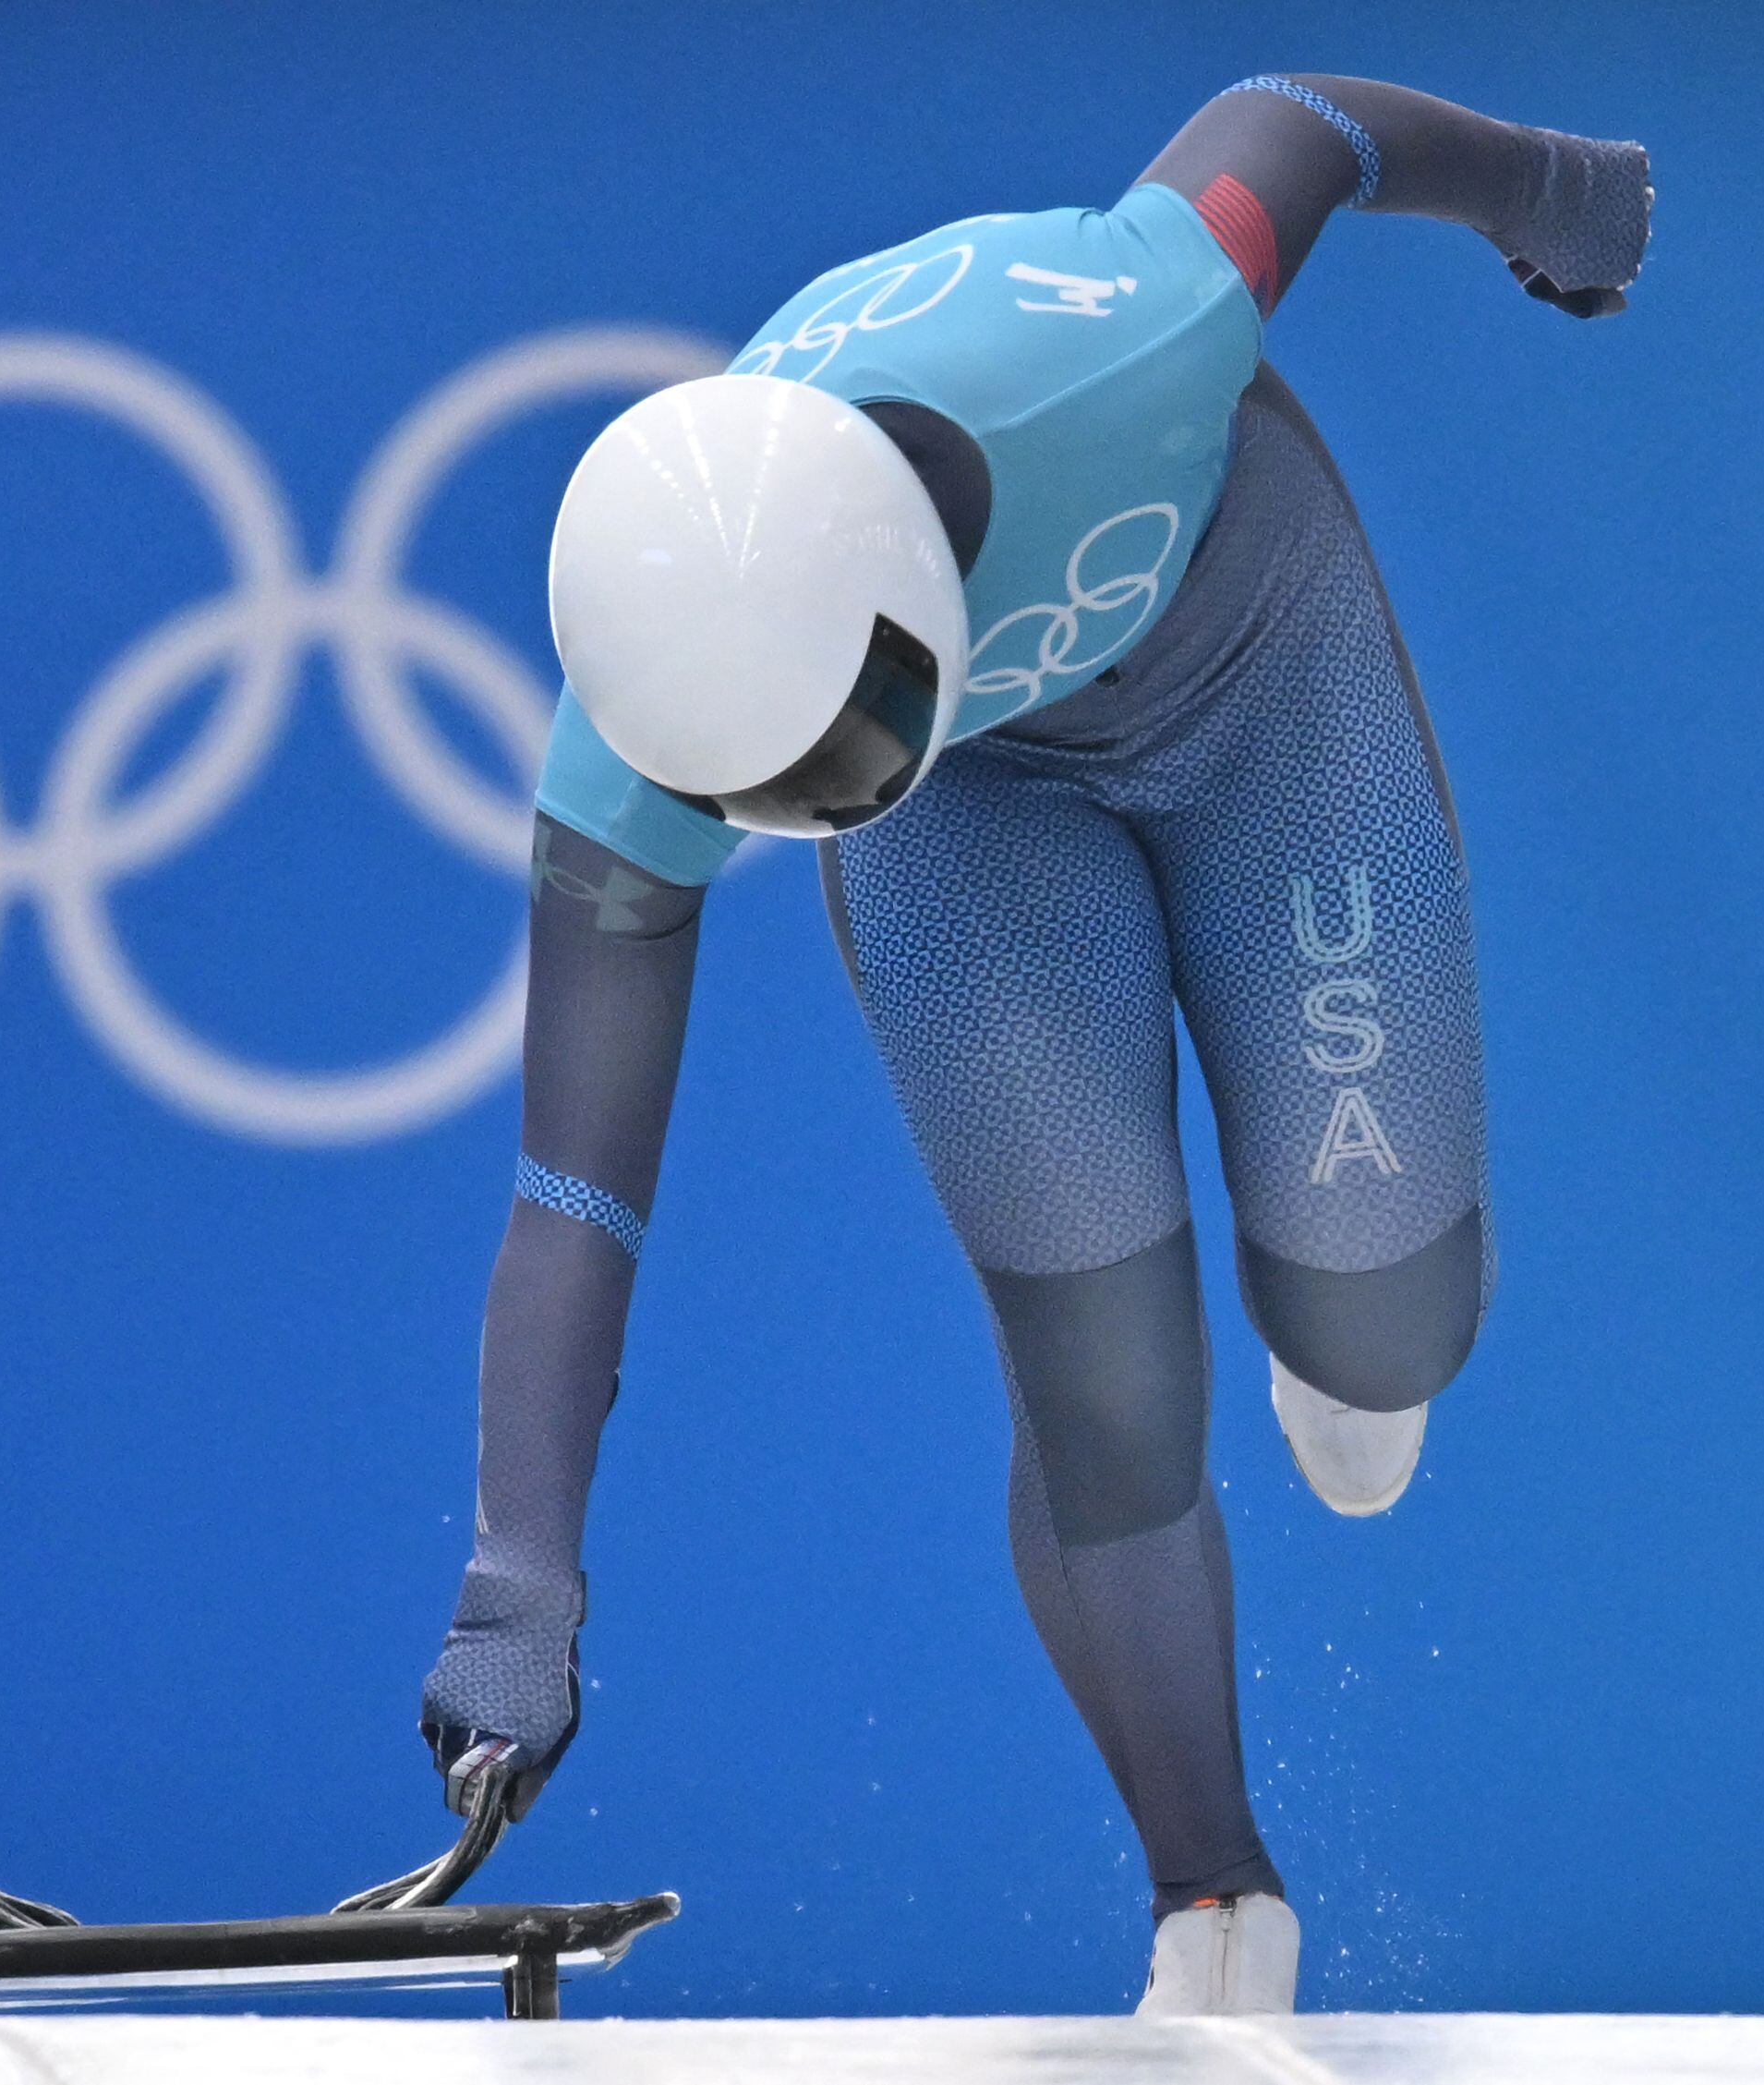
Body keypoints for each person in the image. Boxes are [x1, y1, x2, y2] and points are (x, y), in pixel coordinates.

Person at [418, 74, 1651, 2015]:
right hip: (973, 817)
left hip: (1256, 659)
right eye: (773, 794)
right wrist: (519, 1587)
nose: (806, 799)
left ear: (914, 597)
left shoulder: (1131, 332)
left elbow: (1298, 118)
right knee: (1099, 1372)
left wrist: (1556, 194)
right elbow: (573, 1194)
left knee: (1380, 1342)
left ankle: (1348, 1328)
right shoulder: (634, 743)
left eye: (834, 752)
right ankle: (1211, 1896)